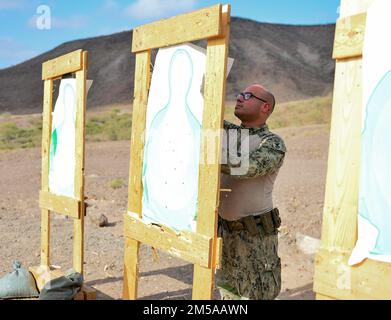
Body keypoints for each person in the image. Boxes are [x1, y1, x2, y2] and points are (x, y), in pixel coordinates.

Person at [216, 83, 286, 300]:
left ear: (265, 107)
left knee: (255, 295)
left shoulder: (272, 143)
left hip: (255, 240)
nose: (239, 98)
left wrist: (210, 152)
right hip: (226, 235)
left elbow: (246, 166)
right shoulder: (228, 133)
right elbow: (200, 116)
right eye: (239, 93)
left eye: (247, 95)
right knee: (229, 294)